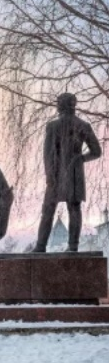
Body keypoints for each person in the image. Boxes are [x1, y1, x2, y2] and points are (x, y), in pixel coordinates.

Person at [33, 93, 102, 252]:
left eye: (58, 103)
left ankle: (40, 246)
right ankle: (73, 246)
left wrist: (50, 176)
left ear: (61, 105)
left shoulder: (53, 126)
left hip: (56, 174)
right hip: (75, 173)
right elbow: (96, 152)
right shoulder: (83, 125)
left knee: (48, 210)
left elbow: (48, 154)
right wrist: (80, 159)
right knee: (74, 208)